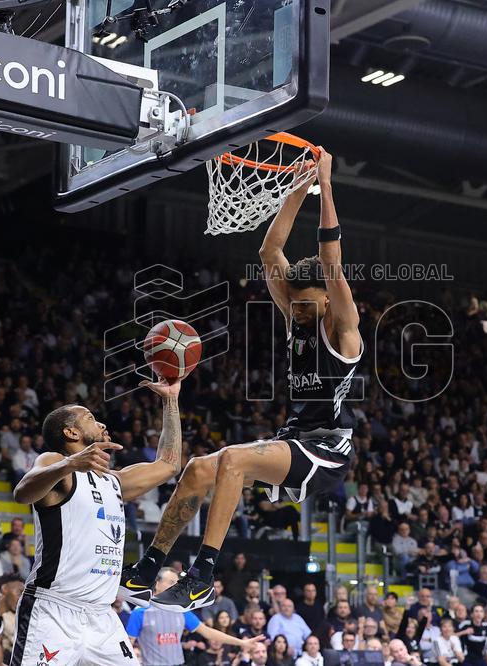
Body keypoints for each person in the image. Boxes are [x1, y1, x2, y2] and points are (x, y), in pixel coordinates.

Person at [121, 149, 364, 612]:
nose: (296, 311)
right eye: (294, 303)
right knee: (197, 469)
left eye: (306, 305)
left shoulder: (343, 328)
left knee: (233, 459)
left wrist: (326, 185)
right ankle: (147, 570)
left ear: (328, 301)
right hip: (294, 438)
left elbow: (331, 260)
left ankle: (203, 577)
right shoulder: (297, 314)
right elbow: (269, 252)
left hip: (328, 449)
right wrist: (299, 187)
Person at [7, 380, 187, 666]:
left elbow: (169, 465)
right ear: (71, 432)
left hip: (102, 615)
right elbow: (22, 493)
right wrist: (69, 463)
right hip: (54, 610)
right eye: (90, 418)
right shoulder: (55, 463)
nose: (101, 422)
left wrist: (170, 401)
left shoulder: (115, 481)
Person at [125, 568, 265, 666]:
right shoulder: (139, 612)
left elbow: (209, 632)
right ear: (157, 584)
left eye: (177, 583)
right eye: (171, 582)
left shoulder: (181, 610)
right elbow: (127, 645)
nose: (175, 587)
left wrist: (242, 643)